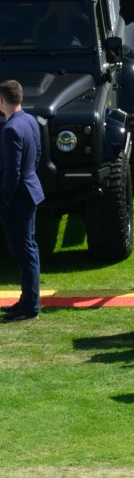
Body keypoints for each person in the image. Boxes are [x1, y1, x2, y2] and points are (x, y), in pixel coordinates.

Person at [0, 79, 41, 321]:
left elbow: (11, 172)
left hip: (18, 199)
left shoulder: (10, 129)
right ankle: (27, 300)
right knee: (28, 249)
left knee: (25, 252)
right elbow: (37, 155)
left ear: (2, 101)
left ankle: (30, 306)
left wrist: (4, 199)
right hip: (30, 191)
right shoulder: (29, 120)